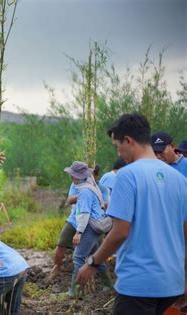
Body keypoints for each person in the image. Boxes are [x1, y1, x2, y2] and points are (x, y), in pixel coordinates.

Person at [77, 113, 187, 315]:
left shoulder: (128, 175)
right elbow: (185, 232)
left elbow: (120, 232)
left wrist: (93, 262)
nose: (119, 152)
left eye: (117, 145)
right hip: (172, 283)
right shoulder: (179, 179)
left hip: (140, 284)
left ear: (128, 140)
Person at [63, 161, 112, 296]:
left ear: (76, 177)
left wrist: (78, 232)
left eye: (72, 175)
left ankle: (75, 291)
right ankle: (109, 287)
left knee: (78, 257)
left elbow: (85, 214)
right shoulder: (92, 186)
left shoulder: (84, 191)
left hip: (90, 227)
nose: (71, 178)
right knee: (97, 258)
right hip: (98, 227)